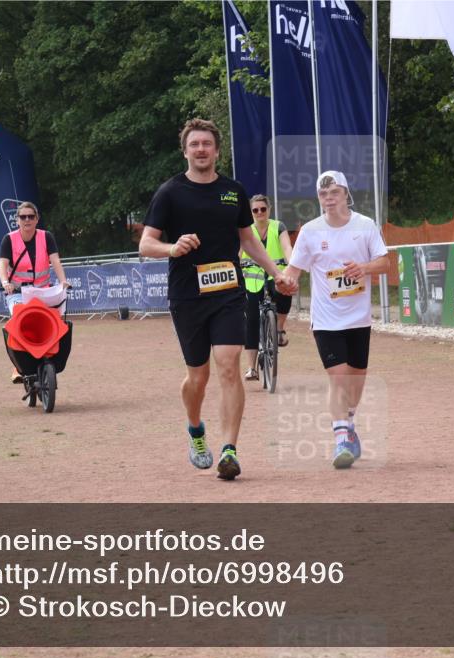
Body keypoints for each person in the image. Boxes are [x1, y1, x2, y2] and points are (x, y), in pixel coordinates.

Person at [140, 118, 295, 481]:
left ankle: (230, 450)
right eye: (194, 144)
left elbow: (248, 239)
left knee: (228, 365)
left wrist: (277, 273)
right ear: (185, 150)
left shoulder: (233, 191)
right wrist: (172, 248)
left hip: (228, 292)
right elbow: (146, 243)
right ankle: (195, 428)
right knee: (199, 376)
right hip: (186, 296)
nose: (201, 150)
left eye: (206, 144)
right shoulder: (170, 192)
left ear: (217, 150)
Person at [280, 170, 389, 469]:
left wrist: (364, 268)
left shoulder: (365, 225)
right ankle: (341, 436)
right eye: (323, 194)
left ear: (345, 194)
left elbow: (385, 262)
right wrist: (284, 281)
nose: (329, 199)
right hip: (326, 320)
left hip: (359, 319)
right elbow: (294, 270)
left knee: (355, 382)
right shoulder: (311, 231)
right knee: (339, 377)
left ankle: (349, 424)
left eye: (334, 193)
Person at [0, 201, 71, 383]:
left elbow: (55, 261)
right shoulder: (9, 239)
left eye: (31, 216)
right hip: (18, 292)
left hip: (42, 290)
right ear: (17, 220)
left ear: (37, 219)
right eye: (23, 217)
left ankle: (51, 356)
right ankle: (17, 366)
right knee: (17, 318)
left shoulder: (46, 237)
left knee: (58, 319)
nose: (27, 220)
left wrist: (63, 282)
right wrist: (5, 282)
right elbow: (2, 266)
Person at [241, 194, 294, 380]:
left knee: (286, 290)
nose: (259, 213)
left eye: (263, 209)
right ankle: (251, 368)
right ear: (251, 212)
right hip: (252, 280)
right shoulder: (246, 230)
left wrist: (291, 266)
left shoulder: (278, 227)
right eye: (255, 210)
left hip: (275, 274)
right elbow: (238, 252)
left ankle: (279, 327)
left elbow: (287, 248)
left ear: (269, 209)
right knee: (251, 320)